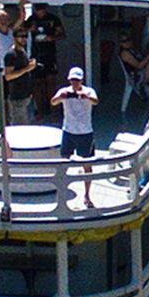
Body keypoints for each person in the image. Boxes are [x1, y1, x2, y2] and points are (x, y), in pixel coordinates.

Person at [52, 64, 98, 206]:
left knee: (87, 164)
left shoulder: (89, 91)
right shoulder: (64, 91)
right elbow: (53, 102)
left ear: (82, 80)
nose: (75, 83)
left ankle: (87, 195)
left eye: (77, 80)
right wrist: (61, 97)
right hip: (69, 131)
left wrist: (85, 97)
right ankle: (61, 192)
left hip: (85, 132)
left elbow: (96, 101)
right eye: (72, 80)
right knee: (63, 162)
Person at [28, 2, 65, 116]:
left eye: (42, 9)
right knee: (37, 85)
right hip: (35, 54)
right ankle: (40, 112)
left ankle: (54, 110)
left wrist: (51, 38)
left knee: (51, 83)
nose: (40, 11)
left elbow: (62, 34)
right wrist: (29, 28)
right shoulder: (31, 19)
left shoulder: (53, 19)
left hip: (49, 54)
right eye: (37, 9)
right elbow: (20, 31)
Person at [1, 27, 35, 125]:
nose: (24, 39)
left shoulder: (23, 52)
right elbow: (8, 76)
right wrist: (26, 69)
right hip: (17, 97)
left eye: (25, 36)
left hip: (26, 95)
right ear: (15, 38)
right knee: (19, 127)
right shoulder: (11, 55)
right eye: (21, 37)